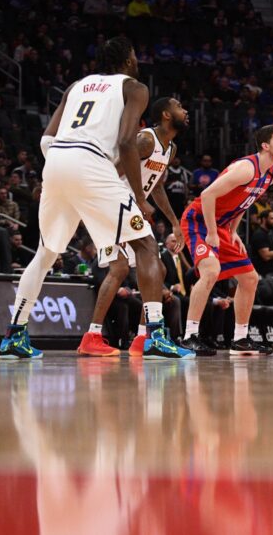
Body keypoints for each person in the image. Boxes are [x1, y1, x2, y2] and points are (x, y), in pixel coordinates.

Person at [0, 36, 190, 360]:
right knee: (145, 244)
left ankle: (14, 335)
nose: (137, 61)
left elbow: (47, 138)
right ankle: (155, 335)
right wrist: (140, 199)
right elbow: (128, 142)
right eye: (135, 55)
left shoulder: (77, 85)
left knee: (45, 254)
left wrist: (55, 174)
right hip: (92, 163)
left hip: (57, 161)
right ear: (128, 60)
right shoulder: (134, 88)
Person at [78, 97, 190, 357]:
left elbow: (158, 186)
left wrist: (174, 221)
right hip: (115, 201)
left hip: (130, 206)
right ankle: (149, 337)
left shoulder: (169, 148)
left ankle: (135, 338)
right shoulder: (146, 140)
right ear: (165, 114)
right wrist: (134, 201)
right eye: (178, 106)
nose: (185, 111)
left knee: (145, 268)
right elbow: (111, 173)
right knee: (146, 257)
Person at [179, 124, 273, 356]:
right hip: (199, 219)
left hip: (221, 225)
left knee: (250, 278)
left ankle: (240, 340)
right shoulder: (245, 168)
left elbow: (242, 203)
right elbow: (207, 195)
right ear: (265, 145)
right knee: (211, 271)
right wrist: (211, 232)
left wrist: (233, 231)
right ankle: (189, 336)